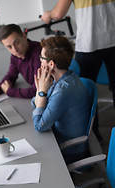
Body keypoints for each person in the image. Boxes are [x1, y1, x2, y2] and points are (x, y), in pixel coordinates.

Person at [40, 0, 115, 142]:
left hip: (91, 42)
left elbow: (58, 13)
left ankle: (94, 138)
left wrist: (47, 15)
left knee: (86, 94)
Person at [32, 36, 91, 163]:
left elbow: (39, 126)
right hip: (59, 136)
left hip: (70, 149)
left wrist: (41, 92)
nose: (40, 61)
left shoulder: (62, 92)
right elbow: (35, 103)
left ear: (51, 64)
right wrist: (41, 90)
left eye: (41, 58)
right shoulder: (67, 77)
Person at [0, 24, 41, 99]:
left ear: (24, 36)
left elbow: (37, 90)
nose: (15, 50)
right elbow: (11, 75)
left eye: (17, 43)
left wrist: (9, 91)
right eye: (9, 47)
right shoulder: (16, 55)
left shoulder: (40, 55)